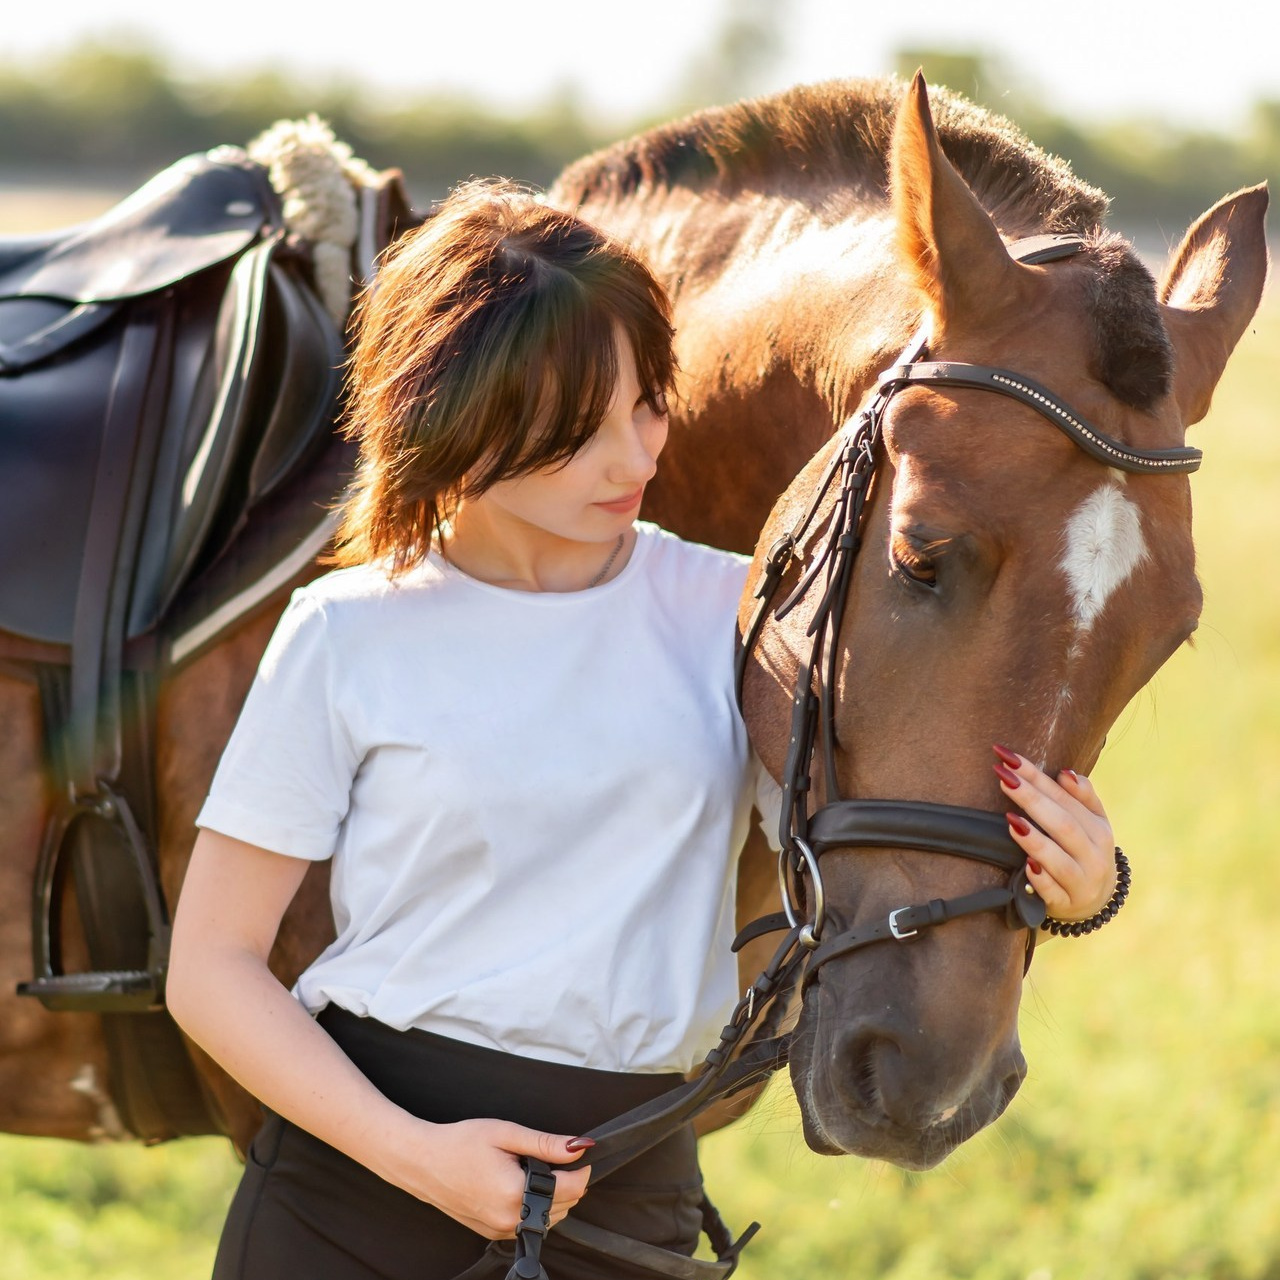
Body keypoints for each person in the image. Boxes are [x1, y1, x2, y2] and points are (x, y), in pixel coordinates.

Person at [167, 179, 1120, 1280]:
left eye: (647, 404)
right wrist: (420, 1157)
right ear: (452, 419)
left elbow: (886, 854)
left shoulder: (743, 616)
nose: (632, 459)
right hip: (355, 1202)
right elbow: (212, 966)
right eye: (577, 434)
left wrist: (1078, 883)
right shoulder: (344, 632)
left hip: (626, 1205)